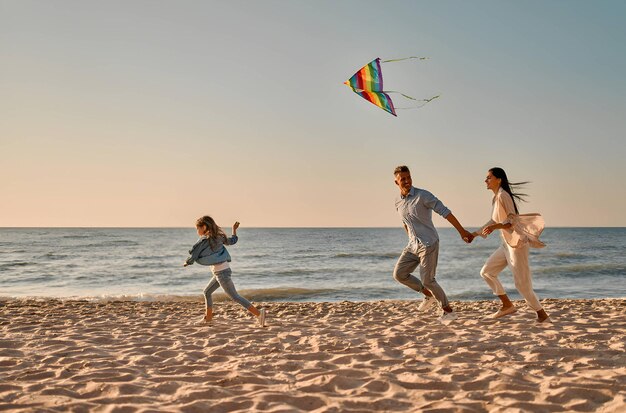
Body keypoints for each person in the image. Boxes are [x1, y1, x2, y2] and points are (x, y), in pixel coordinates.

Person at [392, 165, 474, 324]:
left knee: (428, 280)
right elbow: (405, 222)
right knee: (399, 274)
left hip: (429, 243)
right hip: (413, 245)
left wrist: (462, 231)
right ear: (396, 182)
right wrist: (410, 238)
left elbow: (445, 212)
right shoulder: (397, 201)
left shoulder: (423, 196)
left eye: (409, 177)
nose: (407, 181)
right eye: (403, 179)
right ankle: (428, 294)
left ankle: (448, 311)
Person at [471, 167, 549, 323]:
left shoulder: (503, 195)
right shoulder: (496, 197)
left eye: (488, 177)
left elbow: (512, 220)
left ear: (498, 179)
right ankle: (507, 305)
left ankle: (542, 315)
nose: (485, 180)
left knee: (522, 285)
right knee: (487, 272)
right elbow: (494, 221)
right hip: (506, 244)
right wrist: (474, 234)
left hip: (517, 245)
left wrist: (496, 227)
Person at [184, 216, 266, 327]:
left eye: (197, 228)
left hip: (222, 273)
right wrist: (234, 230)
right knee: (207, 292)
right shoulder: (219, 237)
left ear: (204, 227)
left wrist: (188, 262)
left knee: (235, 297)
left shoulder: (206, 240)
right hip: (221, 272)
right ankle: (208, 319)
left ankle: (259, 314)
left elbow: (195, 253)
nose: (197, 231)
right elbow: (233, 240)